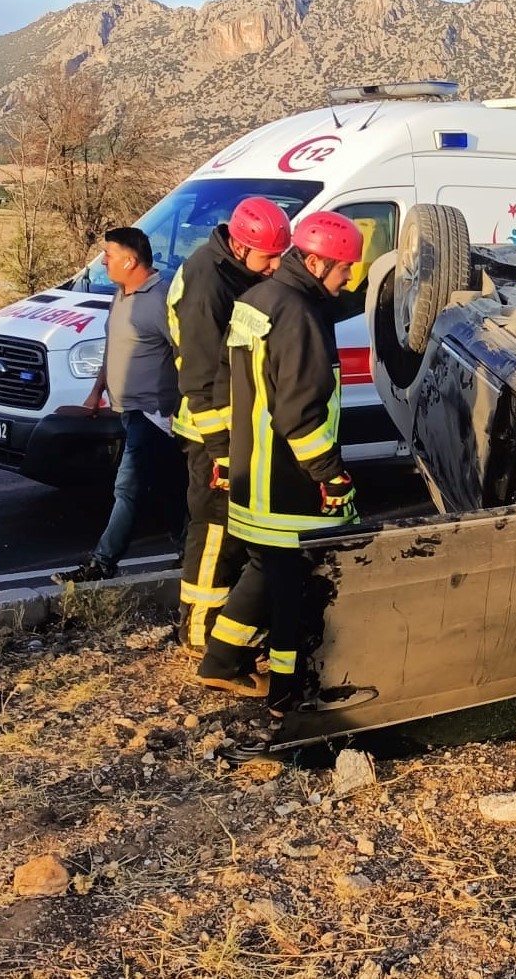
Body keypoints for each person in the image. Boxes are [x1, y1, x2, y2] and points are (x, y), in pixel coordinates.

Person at [196, 212, 364, 713]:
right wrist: (331, 475)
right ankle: (289, 692)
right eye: (343, 270)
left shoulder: (255, 301)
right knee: (295, 586)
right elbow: (300, 415)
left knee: (264, 568)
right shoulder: (301, 317)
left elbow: (226, 384)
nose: (349, 278)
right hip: (288, 484)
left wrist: (226, 453)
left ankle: (221, 659)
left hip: (251, 474)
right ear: (314, 262)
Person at [168, 197, 292, 656]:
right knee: (214, 528)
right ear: (240, 247)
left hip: (230, 425)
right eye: (269, 257)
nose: (277, 266)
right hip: (208, 430)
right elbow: (200, 381)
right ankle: (199, 633)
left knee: (230, 530)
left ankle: (222, 625)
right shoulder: (208, 284)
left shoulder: (233, 269)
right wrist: (222, 450)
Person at [53, 227, 183, 583]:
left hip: (153, 413)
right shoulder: (121, 294)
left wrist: (180, 405)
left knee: (127, 486)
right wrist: (97, 391)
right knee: (168, 485)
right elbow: (114, 347)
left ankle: (102, 562)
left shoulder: (160, 299)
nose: (104, 260)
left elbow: (185, 352)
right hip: (127, 409)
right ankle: (192, 553)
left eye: (109, 254)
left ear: (131, 259)